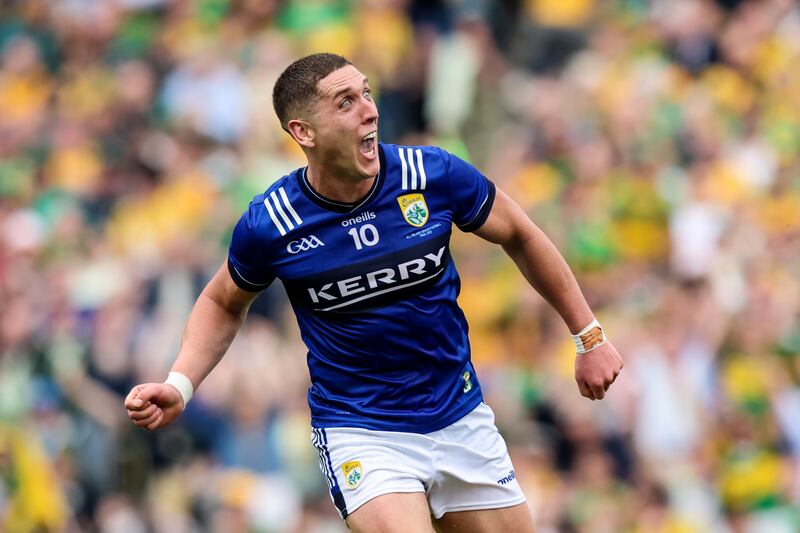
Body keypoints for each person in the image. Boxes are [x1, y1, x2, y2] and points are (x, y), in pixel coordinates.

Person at [124, 53, 624, 532]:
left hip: (459, 414)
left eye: (366, 93)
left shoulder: (430, 175)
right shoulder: (272, 222)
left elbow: (521, 233)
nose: (370, 109)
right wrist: (181, 383)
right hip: (362, 428)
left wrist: (589, 336)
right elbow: (221, 301)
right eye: (345, 102)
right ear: (304, 132)